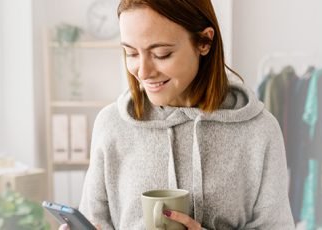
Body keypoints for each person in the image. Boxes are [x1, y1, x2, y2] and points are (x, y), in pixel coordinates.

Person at [60, 0, 294, 229]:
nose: (143, 71)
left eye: (161, 54)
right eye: (131, 53)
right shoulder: (111, 124)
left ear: (205, 41)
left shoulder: (259, 130)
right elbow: (95, 220)